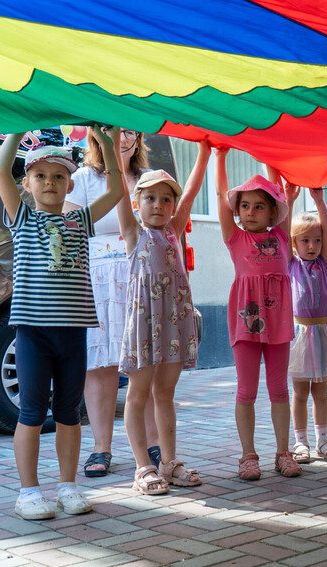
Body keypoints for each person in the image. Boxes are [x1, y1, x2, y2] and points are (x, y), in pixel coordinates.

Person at [0, 127, 124, 519]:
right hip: (33, 333)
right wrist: (18, 128)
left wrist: (105, 144)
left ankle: (68, 486)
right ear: (27, 184)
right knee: (32, 411)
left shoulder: (80, 221)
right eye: (40, 176)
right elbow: (1, 168)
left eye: (58, 176)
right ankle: (29, 492)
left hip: (73, 333)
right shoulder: (22, 218)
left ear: (70, 183)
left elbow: (117, 191)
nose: (50, 182)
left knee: (69, 412)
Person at [64, 127, 161, 477]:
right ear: (96, 136)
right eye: (112, 132)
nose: (121, 138)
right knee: (100, 367)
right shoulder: (82, 179)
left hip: (142, 278)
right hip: (97, 281)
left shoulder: (149, 179)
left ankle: (154, 443)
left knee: (143, 364)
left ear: (138, 139)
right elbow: (70, 232)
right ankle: (100, 447)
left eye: (129, 132)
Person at [119, 144, 208, 495]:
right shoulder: (133, 233)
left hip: (173, 322)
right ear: (137, 204)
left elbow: (192, 190)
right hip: (144, 324)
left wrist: (205, 152)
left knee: (165, 393)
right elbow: (116, 186)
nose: (158, 205)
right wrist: (113, 148)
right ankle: (143, 466)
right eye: (150, 199)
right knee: (138, 394)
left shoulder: (175, 230)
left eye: (165, 199)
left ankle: (169, 462)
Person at [215, 149, 301, 479]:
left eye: (259, 206)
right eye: (245, 206)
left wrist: (269, 150)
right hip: (245, 321)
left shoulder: (281, 235)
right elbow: (222, 196)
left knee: (279, 389)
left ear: (272, 212)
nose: (250, 212)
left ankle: (283, 451)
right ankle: (248, 455)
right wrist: (219, 158)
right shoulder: (234, 237)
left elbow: (278, 186)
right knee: (246, 391)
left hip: (278, 321)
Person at [288, 188, 327, 464]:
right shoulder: (291, 264)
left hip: (324, 332)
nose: (312, 246)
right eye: (305, 241)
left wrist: (319, 201)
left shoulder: (324, 263)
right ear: (294, 243)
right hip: (300, 334)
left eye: (316, 240)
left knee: (321, 391)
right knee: (300, 392)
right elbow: (281, 231)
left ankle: (323, 440)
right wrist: (289, 201)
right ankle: (300, 442)